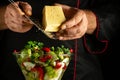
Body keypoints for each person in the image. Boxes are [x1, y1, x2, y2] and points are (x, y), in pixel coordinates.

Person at [0, 0, 120, 80]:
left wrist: (87, 21)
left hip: (80, 71)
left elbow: (115, 14)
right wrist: (4, 16)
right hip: (14, 69)